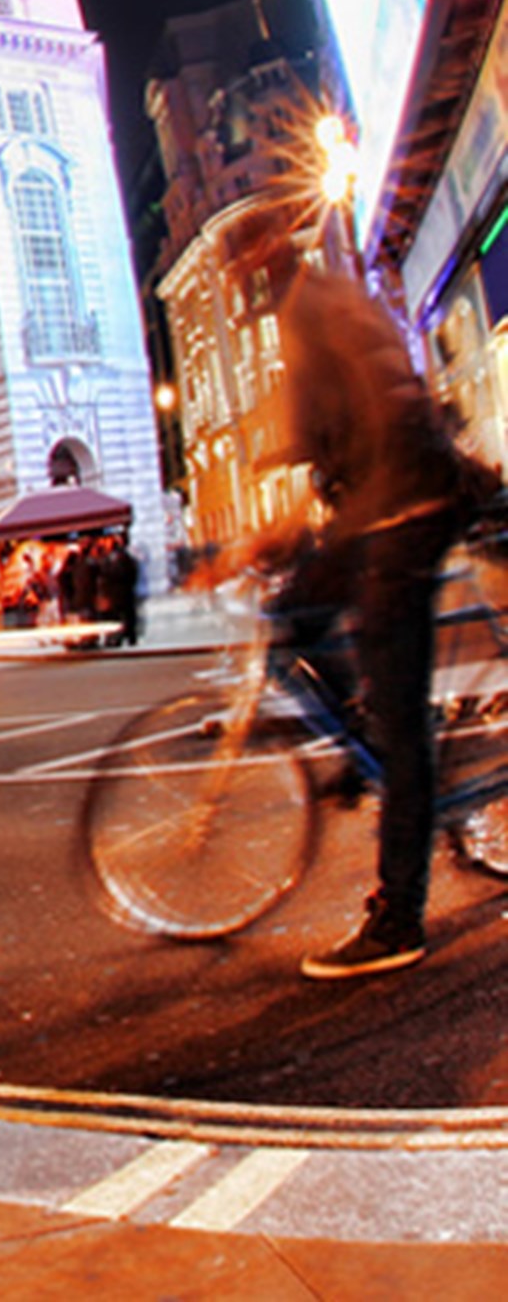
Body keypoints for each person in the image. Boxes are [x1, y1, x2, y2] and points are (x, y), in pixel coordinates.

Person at [238, 210, 494, 980]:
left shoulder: (314, 308)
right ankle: (364, 739)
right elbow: (329, 431)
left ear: (263, 254)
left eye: (239, 261)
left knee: (401, 717)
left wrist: (297, 529)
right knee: (296, 613)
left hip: (400, 513)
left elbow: (367, 420)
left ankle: (399, 916)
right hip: (386, 503)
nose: (236, 281)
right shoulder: (317, 303)